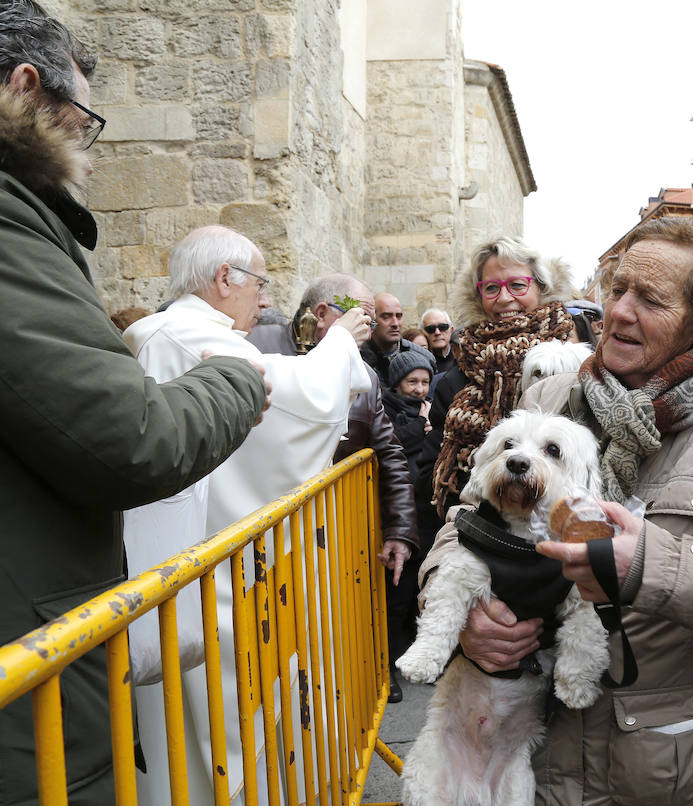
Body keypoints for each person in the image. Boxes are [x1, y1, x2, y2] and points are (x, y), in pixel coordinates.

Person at [420, 218, 693, 805]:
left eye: (649, 299)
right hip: (537, 752)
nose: (619, 312)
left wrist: (649, 563)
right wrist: (460, 616)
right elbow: (467, 518)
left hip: (658, 764)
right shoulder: (549, 398)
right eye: (617, 288)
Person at [0, 5, 270, 804]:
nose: (84, 147)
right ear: (26, 86)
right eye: (82, 120)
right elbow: (131, 437)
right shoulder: (12, 222)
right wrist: (236, 380)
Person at [123, 229, 372, 805]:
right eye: (259, 283)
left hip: (189, 565)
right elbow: (298, 401)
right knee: (207, 732)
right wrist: (338, 343)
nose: (264, 300)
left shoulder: (177, 333)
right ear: (224, 278)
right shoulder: (183, 337)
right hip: (205, 576)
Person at [249, 272, 420, 704]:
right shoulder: (255, 347)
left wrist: (399, 530)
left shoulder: (361, 375)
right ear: (323, 314)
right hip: (256, 538)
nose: (373, 325)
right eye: (363, 315)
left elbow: (390, 454)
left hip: (333, 540)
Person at [413, 235, 577, 551]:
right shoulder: (456, 377)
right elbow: (429, 472)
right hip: (473, 537)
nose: (504, 299)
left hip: (559, 544)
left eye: (517, 285)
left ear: (541, 288)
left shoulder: (572, 364)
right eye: (491, 288)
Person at [360, 291, 433, 386]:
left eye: (399, 316)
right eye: (386, 317)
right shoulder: (358, 358)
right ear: (371, 319)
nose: (395, 323)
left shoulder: (424, 357)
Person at [383, 349, 434, 483]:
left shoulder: (432, 408)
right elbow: (391, 442)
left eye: (425, 382)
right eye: (412, 382)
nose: (419, 390)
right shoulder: (384, 408)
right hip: (398, 485)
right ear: (396, 384)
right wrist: (421, 422)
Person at [421, 307, 457, 374]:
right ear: (423, 333)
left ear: (451, 331)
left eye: (442, 327)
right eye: (430, 329)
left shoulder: (462, 355)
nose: (437, 332)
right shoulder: (420, 362)